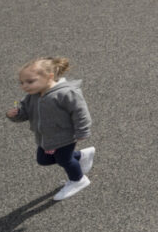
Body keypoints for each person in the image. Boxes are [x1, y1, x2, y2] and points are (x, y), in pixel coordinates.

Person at [6, 56, 96, 201]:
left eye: (30, 81)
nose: (25, 86)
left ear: (49, 77)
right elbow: (25, 112)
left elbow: (80, 112)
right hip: (44, 137)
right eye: (22, 82)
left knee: (64, 160)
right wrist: (16, 114)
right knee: (43, 160)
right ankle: (81, 156)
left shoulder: (66, 93)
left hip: (64, 136)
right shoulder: (32, 96)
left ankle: (78, 180)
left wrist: (82, 131)